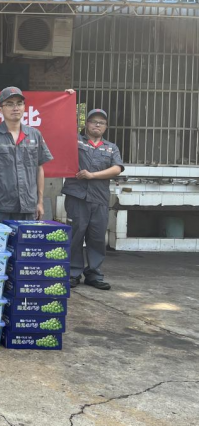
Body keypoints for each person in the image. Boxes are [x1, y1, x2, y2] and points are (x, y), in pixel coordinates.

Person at [62, 109, 124, 290]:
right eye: (93, 121)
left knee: (97, 238)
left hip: (99, 198)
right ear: (86, 124)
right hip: (77, 196)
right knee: (75, 236)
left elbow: (117, 168)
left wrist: (92, 175)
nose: (97, 124)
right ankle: (73, 273)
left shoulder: (111, 147)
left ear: (106, 127)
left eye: (101, 122)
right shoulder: (75, 141)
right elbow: (61, 132)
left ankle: (94, 274)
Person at [0, 87, 53, 222]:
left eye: (19, 103)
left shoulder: (34, 134)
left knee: (27, 237)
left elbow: (39, 168)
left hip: (29, 205)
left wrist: (40, 202)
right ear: (0, 109)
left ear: (24, 107)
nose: (15, 108)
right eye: (10, 104)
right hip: (0, 207)